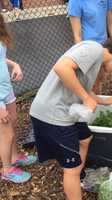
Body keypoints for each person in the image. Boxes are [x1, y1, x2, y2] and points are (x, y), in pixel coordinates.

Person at [30, 38, 112, 200]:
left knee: (85, 138)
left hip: (68, 110)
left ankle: (79, 175)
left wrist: (101, 100)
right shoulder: (94, 49)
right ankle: (74, 173)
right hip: (53, 114)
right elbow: (61, 68)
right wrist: (86, 98)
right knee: (71, 169)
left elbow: (80, 86)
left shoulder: (95, 59)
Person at [0, 13, 36, 183]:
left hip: (5, 89)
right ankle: (7, 170)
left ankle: (15, 157)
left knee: (13, 121)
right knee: (6, 134)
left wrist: (15, 64)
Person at [68, 0, 112, 95]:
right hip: (88, 48)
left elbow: (110, 22)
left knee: (99, 80)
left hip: (104, 48)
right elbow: (77, 35)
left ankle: (97, 103)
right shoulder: (75, 2)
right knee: (88, 85)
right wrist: (82, 59)